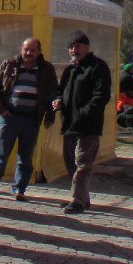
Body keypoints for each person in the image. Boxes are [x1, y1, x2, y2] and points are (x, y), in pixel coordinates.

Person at [0, 37, 58, 201]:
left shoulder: (46, 69)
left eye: (32, 50)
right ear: (21, 49)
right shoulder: (9, 64)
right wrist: (0, 108)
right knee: (0, 155)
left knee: (25, 158)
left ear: (39, 51)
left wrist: (50, 114)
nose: (28, 53)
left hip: (31, 119)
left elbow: (52, 92)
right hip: (9, 117)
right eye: (26, 49)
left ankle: (19, 189)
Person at [52, 31, 111, 214]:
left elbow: (101, 96)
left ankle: (77, 200)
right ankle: (83, 198)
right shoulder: (70, 69)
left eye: (77, 46)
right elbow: (60, 91)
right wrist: (58, 100)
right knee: (70, 161)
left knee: (83, 163)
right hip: (69, 123)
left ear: (87, 47)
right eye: (71, 47)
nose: (73, 50)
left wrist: (85, 113)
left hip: (88, 125)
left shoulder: (98, 67)